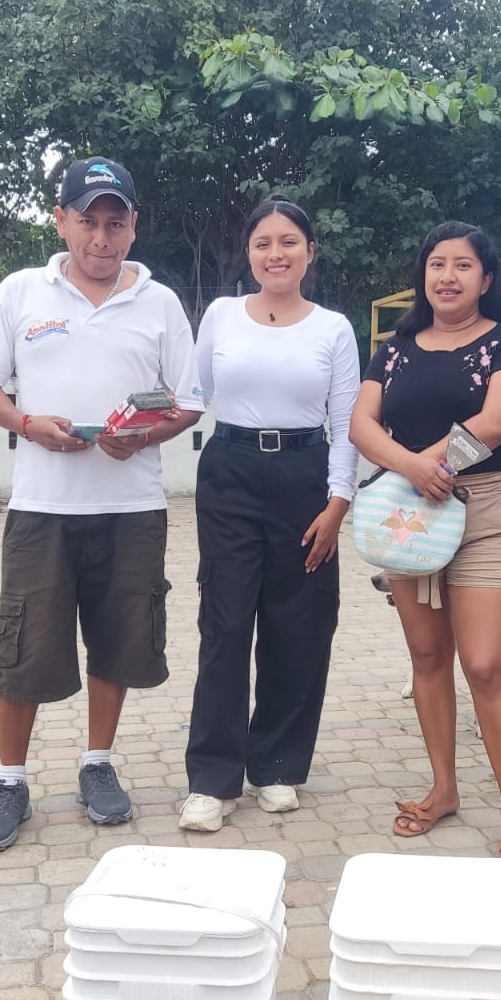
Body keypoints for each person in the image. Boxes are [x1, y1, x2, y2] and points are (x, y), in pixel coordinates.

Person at [0, 157, 203, 851]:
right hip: (43, 506)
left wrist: (143, 435)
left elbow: (188, 401)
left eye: (114, 223)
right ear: (60, 220)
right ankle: (10, 780)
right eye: (87, 221)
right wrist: (27, 423)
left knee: (118, 641)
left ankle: (98, 764)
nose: (101, 237)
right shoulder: (20, 293)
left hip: (131, 506)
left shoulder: (159, 303)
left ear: (133, 227)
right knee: (24, 644)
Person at [349, 221, 501, 864]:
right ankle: (444, 788)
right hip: (410, 510)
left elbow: (498, 421)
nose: (448, 276)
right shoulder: (396, 348)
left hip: (482, 508)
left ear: (486, 280)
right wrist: (412, 468)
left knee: (485, 664)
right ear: (422, 276)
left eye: (463, 265)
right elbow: (361, 424)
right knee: (428, 656)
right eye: (437, 264)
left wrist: (430, 464)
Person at [180, 196, 360, 831]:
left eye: (289, 242)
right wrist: (132, 424)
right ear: (249, 253)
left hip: (305, 476)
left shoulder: (334, 329)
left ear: (310, 252)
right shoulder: (222, 316)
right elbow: (192, 397)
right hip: (229, 472)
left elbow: (347, 423)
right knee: (225, 624)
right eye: (263, 243)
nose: (275, 254)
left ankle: (278, 765)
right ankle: (212, 779)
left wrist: (338, 503)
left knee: (299, 625)